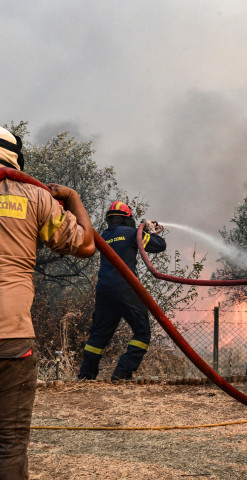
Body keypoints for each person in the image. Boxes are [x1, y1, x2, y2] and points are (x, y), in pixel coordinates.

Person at [0, 126, 95, 479]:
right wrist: (74, 199)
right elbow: (86, 245)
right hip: (11, 338)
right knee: (8, 443)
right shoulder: (35, 197)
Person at [78, 201, 166, 381]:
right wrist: (150, 230)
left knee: (99, 335)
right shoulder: (133, 233)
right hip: (126, 289)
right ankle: (122, 373)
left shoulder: (102, 236)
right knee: (142, 333)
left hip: (104, 291)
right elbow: (159, 245)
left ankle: (86, 377)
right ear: (127, 219)